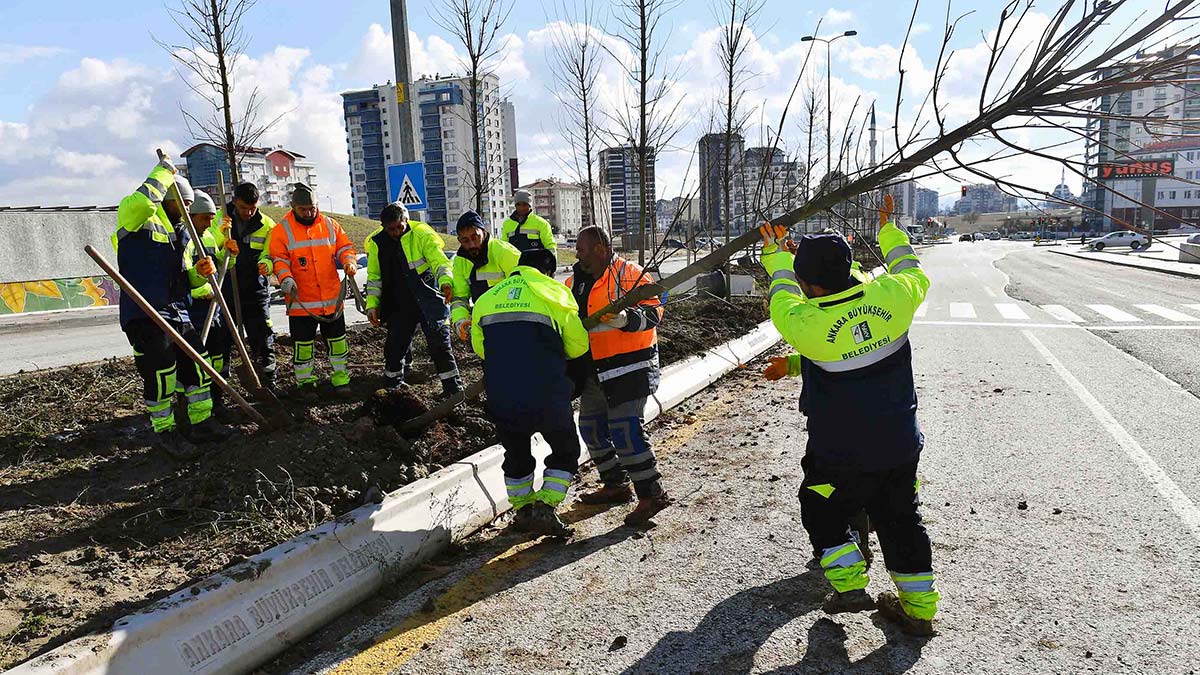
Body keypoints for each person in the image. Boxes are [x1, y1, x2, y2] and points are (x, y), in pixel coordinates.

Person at [758, 197, 939, 635]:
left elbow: (783, 292)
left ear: (811, 286)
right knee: (900, 520)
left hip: (839, 454)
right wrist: (888, 229)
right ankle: (919, 611)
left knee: (820, 507)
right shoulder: (894, 297)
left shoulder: (803, 324)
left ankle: (850, 585)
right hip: (898, 444)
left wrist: (774, 255)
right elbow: (909, 267)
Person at [764, 248, 875, 570]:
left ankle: (846, 551)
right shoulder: (857, 307)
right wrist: (793, 365)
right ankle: (857, 538)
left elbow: (833, 354)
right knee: (849, 486)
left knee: (823, 492)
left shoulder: (821, 320)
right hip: (860, 425)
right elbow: (836, 357)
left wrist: (781, 263)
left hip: (837, 429)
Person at [113, 158, 230, 458]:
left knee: (199, 365)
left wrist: (198, 273)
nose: (189, 212)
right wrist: (163, 172)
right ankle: (165, 431)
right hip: (145, 311)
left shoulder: (180, 233)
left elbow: (183, 280)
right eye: (184, 204)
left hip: (176, 309)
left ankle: (200, 423)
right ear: (169, 199)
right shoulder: (135, 215)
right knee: (162, 373)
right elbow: (143, 201)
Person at [471, 248, 591, 537]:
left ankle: (522, 511)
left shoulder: (487, 299)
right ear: (548, 271)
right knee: (564, 452)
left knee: (516, 455)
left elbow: (479, 349)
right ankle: (545, 507)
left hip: (502, 396)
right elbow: (578, 347)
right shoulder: (555, 294)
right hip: (546, 393)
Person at [567, 226, 671, 525]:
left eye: (582, 248)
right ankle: (615, 484)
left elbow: (655, 310)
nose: (577, 253)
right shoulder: (575, 282)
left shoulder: (629, 273)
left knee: (626, 430)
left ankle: (652, 494)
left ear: (600, 247)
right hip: (596, 370)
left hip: (630, 368)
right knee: (590, 428)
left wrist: (626, 319)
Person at [364, 202, 463, 396]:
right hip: (399, 303)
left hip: (429, 298)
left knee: (440, 345)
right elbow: (374, 277)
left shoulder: (422, 235)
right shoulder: (377, 243)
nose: (395, 232)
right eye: (390, 229)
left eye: (399, 227)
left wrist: (446, 282)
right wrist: (372, 305)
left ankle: (453, 390)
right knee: (395, 346)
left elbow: (439, 261)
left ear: (406, 220)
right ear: (383, 226)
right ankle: (393, 389)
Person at [268, 183, 357, 400]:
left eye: (312, 208)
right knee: (303, 347)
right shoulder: (282, 230)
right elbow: (278, 259)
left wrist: (349, 262)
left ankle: (341, 380)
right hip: (301, 304)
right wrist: (285, 279)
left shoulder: (330, 225)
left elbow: (345, 248)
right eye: (303, 209)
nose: (308, 213)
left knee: (338, 344)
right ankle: (306, 383)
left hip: (331, 301)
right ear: (293, 207)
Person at [213, 182, 278, 387]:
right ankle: (220, 385)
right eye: (243, 208)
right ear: (234, 202)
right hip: (226, 289)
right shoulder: (219, 218)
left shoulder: (268, 225)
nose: (249, 212)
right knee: (221, 337)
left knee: (262, 334)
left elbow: (271, 253)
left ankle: (267, 381)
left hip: (255, 289)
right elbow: (209, 246)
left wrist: (267, 263)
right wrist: (221, 238)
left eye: (253, 207)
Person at [183, 190, 238, 417]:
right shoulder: (184, 240)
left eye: (211, 217)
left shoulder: (207, 238)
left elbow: (220, 270)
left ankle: (218, 401)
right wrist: (204, 290)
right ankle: (191, 407)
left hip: (214, 310)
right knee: (197, 362)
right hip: (194, 311)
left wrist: (230, 254)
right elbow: (185, 278)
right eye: (205, 218)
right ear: (192, 216)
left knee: (219, 356)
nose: (209, 223)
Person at [449, 210, 521, 342]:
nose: (471, 244)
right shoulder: (460, 261)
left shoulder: (504, 252)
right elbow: (459, 297)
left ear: (484, 232)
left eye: (475, 237)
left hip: (515, 322)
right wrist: (460, 320)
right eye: (465, 240)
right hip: (486, 326)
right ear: (459, 240)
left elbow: (525, 286)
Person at [501, 189, 556, 253]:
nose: (521, 207)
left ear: (529, 205)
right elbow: (504, 247)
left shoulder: (541, 223)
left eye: (524, 204)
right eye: (518, 204)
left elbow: (550, 246)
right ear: (515, 206)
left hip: (536, 262)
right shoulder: (507, 224)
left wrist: (551, 261)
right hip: (514, 263)